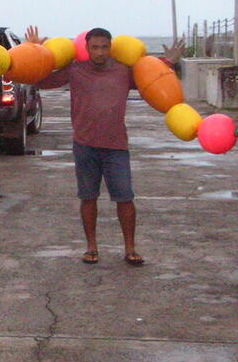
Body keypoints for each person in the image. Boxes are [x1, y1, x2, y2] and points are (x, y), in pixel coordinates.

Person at [27, 25, 184, 266]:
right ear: (87, 48)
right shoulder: (75, 70)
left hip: (116, 147)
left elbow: (152, 77)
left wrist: (168, 62)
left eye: (104, 47)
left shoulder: (123, 72)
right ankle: (91, 247)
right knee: (88, 198)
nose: (100, 52)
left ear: (111, 48)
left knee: (125, 198)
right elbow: (40, 81)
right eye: (95, 47)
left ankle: (130, 249)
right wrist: (35, 51)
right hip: (84, 145)